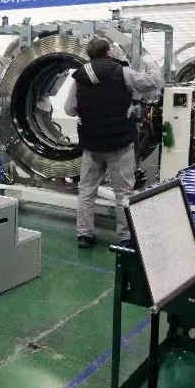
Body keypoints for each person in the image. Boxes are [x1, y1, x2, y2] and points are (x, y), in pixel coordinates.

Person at [64, 36, 164, 249]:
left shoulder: (79, 77)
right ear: (108, 52)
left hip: (91, 146)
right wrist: (149, 61)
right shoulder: (123, 72)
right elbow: (153, 82)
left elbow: (69, 109)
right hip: (119, 146)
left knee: (87, 191)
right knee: (123, 193)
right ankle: (126, 237)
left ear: (89, 54)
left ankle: (84, 235)